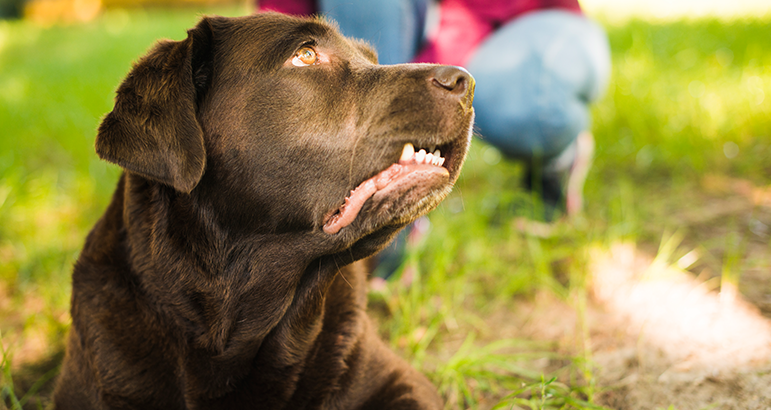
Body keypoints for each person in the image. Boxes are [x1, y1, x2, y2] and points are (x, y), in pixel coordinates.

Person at [258, 0, 611, 221]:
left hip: (528, 25)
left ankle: (555, 163)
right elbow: (281, 24)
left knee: (533, 102)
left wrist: (428, 74)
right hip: (405, 44)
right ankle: (384, 220)